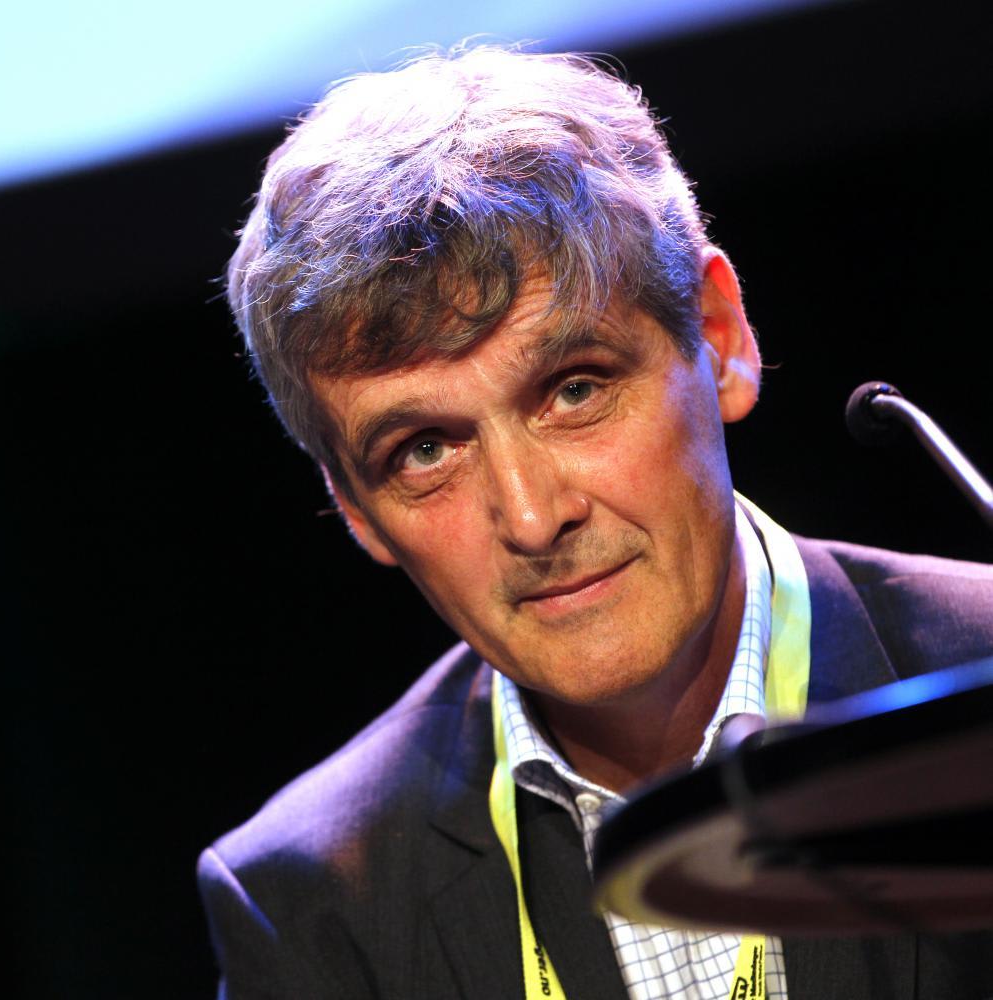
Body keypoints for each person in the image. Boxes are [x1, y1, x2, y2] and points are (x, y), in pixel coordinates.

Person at [197, 45, 993, 999]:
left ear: (721, 340)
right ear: (354, 509)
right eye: (425, 450)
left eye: (574, 390)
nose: (534, 518)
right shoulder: (312, 900)